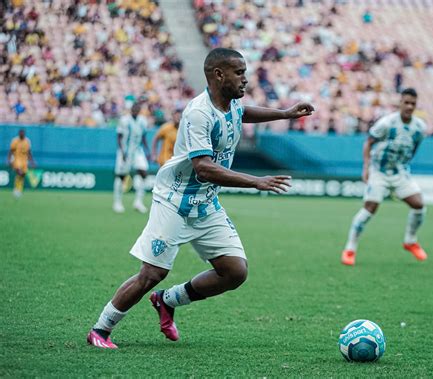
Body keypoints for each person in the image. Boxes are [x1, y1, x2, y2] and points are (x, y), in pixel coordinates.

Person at [87, 47, 314, 349]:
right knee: (152, 272)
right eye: (239, 73)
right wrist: (256, 182)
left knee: (235, 271)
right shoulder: (198, 113)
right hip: (175, 201)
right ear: (219, 75)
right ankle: (100, 330)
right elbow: (204, 168)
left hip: (205, 204)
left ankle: (168, 300)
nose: (245, 80)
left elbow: (244, 113)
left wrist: (285, 114)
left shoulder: (232, 103)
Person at [341, 88, 428, 266]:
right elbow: (368, 142)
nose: (410, 106)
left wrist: (405, 165)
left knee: (419, 205)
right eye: (407, 102)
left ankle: (410, 241)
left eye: (413, 103)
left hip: (399, 172)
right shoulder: (387, 123)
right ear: (400, 103)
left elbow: (415, 148)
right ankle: (350, 249)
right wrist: (366, 167)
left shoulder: (420, 127)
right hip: (379, 171)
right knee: (370, 208)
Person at [113, 102, 151, 214]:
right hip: (125, 151)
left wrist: (147, 150)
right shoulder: (124, 120)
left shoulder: (143, 120)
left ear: (139, 110)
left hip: (138, 151)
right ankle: (117, 202)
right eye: (133, 109)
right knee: (122, 176)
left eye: (137, 109)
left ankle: (138, 202)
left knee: (143, 172)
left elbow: (143, 136)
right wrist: (122, 152)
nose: (135, 111)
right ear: (131, 110)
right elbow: (119, 137)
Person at [7, 129, 35, 198]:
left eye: (23, 133)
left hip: (24, 161)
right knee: (19, 172)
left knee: (23, 175)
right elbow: (11, 151)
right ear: (19, 133)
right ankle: (16, 190)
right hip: (17, 159)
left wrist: (32, 161)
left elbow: (29, 152)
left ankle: (19, 189)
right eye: (20, 133)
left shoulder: (27, 141)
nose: (21, 134)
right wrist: (9, 160)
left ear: (24, 134)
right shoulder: (15, 141)